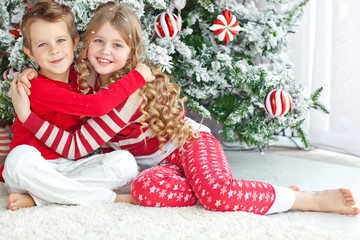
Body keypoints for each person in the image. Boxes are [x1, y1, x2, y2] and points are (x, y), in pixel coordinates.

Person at [14, 2, 360, 216]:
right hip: (153, 168)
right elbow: (55, 75)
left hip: (188, 146)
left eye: (117, 44)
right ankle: (248, 193)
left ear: (132, 51)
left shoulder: (134, 85)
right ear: (84, 45)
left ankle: (305, 199)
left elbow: (98, 118)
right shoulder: (80, 80)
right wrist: (29, 73)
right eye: (99, 42)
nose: (106, 51)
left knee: (216, 195)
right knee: (143, 191)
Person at [2, 0, 154, 211]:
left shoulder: (80, 77)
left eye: (60, 40)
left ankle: (41, 199)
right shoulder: (35, 87)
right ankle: (111, 199)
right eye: (42, 44)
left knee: (125, 163)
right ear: (30, 52)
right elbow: (96, 106)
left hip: (71, 167)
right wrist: (136, 77)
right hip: (36, 168)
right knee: (18, 160)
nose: (54, 51)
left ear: (75, 43)